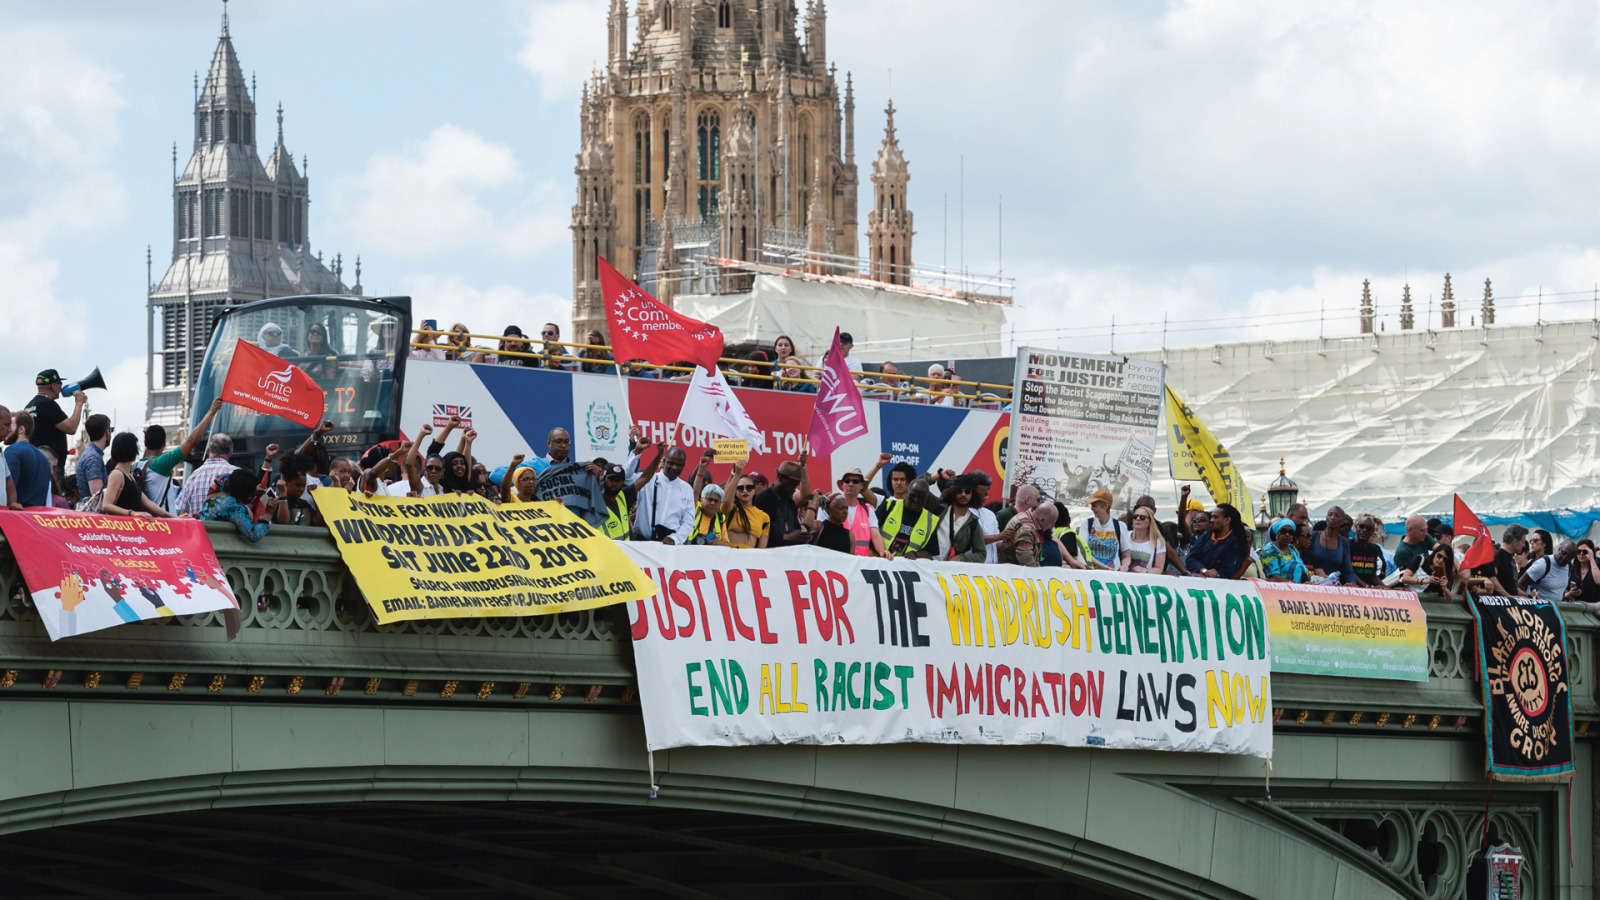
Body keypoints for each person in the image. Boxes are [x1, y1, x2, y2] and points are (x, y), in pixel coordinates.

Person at [26, 369, 86, 478]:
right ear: (54, 386)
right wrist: (79, 403)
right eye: (60, 384)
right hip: (51, 468)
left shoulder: (29, 406)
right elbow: (71, 428)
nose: (61, 388)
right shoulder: (48, 404)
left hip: (35, 463)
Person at [599, 444, 664, 540]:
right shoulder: (595, 501)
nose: (615, 483)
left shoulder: (623, 496)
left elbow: (645, 478)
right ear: (604, 479)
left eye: (618, 480)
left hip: (626, 552)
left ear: (623, 482)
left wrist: (659, 455)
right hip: (608, 552)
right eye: (611, 479)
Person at [174, 433, 247, 517]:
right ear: (230, 453)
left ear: (208, 451)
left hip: (198, 529)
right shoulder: (238, 473)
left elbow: (183, 514)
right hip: (228, 530)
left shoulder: (193, 476)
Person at [635, 447, 695, 543]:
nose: (674, 467)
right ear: (664, 461)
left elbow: (688, 522)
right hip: (642, 543)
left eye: (678, 465)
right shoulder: (648, 480)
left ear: (684, 465)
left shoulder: (687, 489)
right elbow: (628, 478)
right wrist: (635, 449)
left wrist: (675, 539)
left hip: (669, 547)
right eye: (671, 463)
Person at [202, 468, 273, 543]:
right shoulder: (234, 507)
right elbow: (253, 535)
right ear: (244, 494)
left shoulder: (217, 486)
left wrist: (251, 490)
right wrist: (268, 514)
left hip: (204, 538)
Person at [834, 466, 890, 558]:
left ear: (862, 486)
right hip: (837, 562)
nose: (850, 484)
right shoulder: (832, 506)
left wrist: (882, 552)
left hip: (861, 564)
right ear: (842, 485)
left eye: (855, 481)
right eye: (847, 480)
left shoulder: (868, 510)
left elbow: (875, 535)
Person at [877, 480, 939, 558]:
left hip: (905, 567)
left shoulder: (931, 521)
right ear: (907, 493)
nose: (915, 501)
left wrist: (915, 554)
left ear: (926, 499)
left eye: (920, 498)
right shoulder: (889, 505)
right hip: (878, 560)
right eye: (912, 496)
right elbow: (871, 532)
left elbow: (930, 552)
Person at [1187, 503, 1252, 579]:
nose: (1211, 520)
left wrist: (1216, 573)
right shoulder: (1206, 536)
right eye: (1211, 517)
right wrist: (1203, 570)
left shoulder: (1236, 542)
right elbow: (1191, 558)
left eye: (1215, 517)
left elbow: (1230, 569)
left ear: (1227, 520)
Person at [3, 411, 51, 508]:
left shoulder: (12, 451)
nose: (7, 430)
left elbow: (5, 492)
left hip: (16, 517)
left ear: (21, 429)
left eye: (10, 425)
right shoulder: (44, 459)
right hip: (36, 518)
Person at [718, 461, 771, 549]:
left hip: (750, 559)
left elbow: (761, 549)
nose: (745, 491)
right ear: (736, 492)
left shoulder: (764, 517)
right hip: (730, 556)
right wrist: (737, 474)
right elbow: (726, 501)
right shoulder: (730, 509)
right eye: (740, 488)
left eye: (749, 487)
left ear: (754, 491)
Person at [1303, 506, 1358, 585]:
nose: (1332, 517)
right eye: (1330, 514)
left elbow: (1348, 571)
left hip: (1332, 588)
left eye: (1337, 516)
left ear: (1342, 520)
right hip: (1311, 585)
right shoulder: (1313, 537)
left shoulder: (1344, 543)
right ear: (1326, 517)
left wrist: (1352, 583)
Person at [1078, 489, 1129, 570]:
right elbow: (1082, 552)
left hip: (1113, 576)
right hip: (1091, 574)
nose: (1091, 508)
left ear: (1105, 506)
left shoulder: (1120, 526)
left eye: (1094, 505)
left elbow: (1126, 556)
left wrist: (1125, 566)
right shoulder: (1087, 524)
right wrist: (1104, 567)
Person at [1519, 532, 1573, 602]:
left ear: (1544, 544)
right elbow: (1521, 584)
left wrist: (1565, 597)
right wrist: (1527, 600)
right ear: (1559, 549)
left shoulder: (1568, 566)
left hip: (1556, 608)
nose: (1532, 543)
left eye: (1535, 540)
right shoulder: (1542, 564)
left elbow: (1559, 591)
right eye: (1531, 540)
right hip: (1538, 608)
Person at [272, 455, 322, 526]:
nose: (301, 489)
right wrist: (283, 494)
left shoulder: (305, 504)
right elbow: (283, 523)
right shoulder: (276, 504)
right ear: (286, 482)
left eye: (303, 486)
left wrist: (315, 496)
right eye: (298, 485)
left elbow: (319, 522)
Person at [75, 413, 112, 504]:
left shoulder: (91, 455)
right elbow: (97, 498)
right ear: (107, 432)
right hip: (93, 515)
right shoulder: (93, 458)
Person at [1487, 524, 1528, 596]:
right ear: (1515, 541)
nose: (1524, 545)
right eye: (1523, 542)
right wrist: (1509, 597)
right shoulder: (1498, 554)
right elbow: (1492, 579)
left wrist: (1529, 596)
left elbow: (1513, 588)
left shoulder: (1511, 559)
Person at [1125, 503, 1167, 574]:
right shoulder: (1125, 536)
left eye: (1142, 517)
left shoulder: (1158, 542)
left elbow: (1159, 569)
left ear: (1150, 522)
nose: (1138, 519)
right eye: (1135, 516)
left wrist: (1146, 570)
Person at [1349, 516, 1388, 587]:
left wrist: (1388, 589)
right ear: (1356, 527)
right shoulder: (1348, 545)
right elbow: (1349, 572)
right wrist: (1367, 586)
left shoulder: (1374, 549)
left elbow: (1374, 576)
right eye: (1361, 526)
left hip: (1368, 592)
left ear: (1372, 531)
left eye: (1369, 528)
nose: (1364, 530)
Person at [1568, 540, 1600, 605]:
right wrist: (1570, 594)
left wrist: (1591, 558)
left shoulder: (1597, 566)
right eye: (1579, 551)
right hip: (1576, 607)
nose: (1581, 554)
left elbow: (1598, 581)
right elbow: (1565, 589)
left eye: (1585, 552)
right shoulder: (1572, 569)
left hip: (1594, 608)